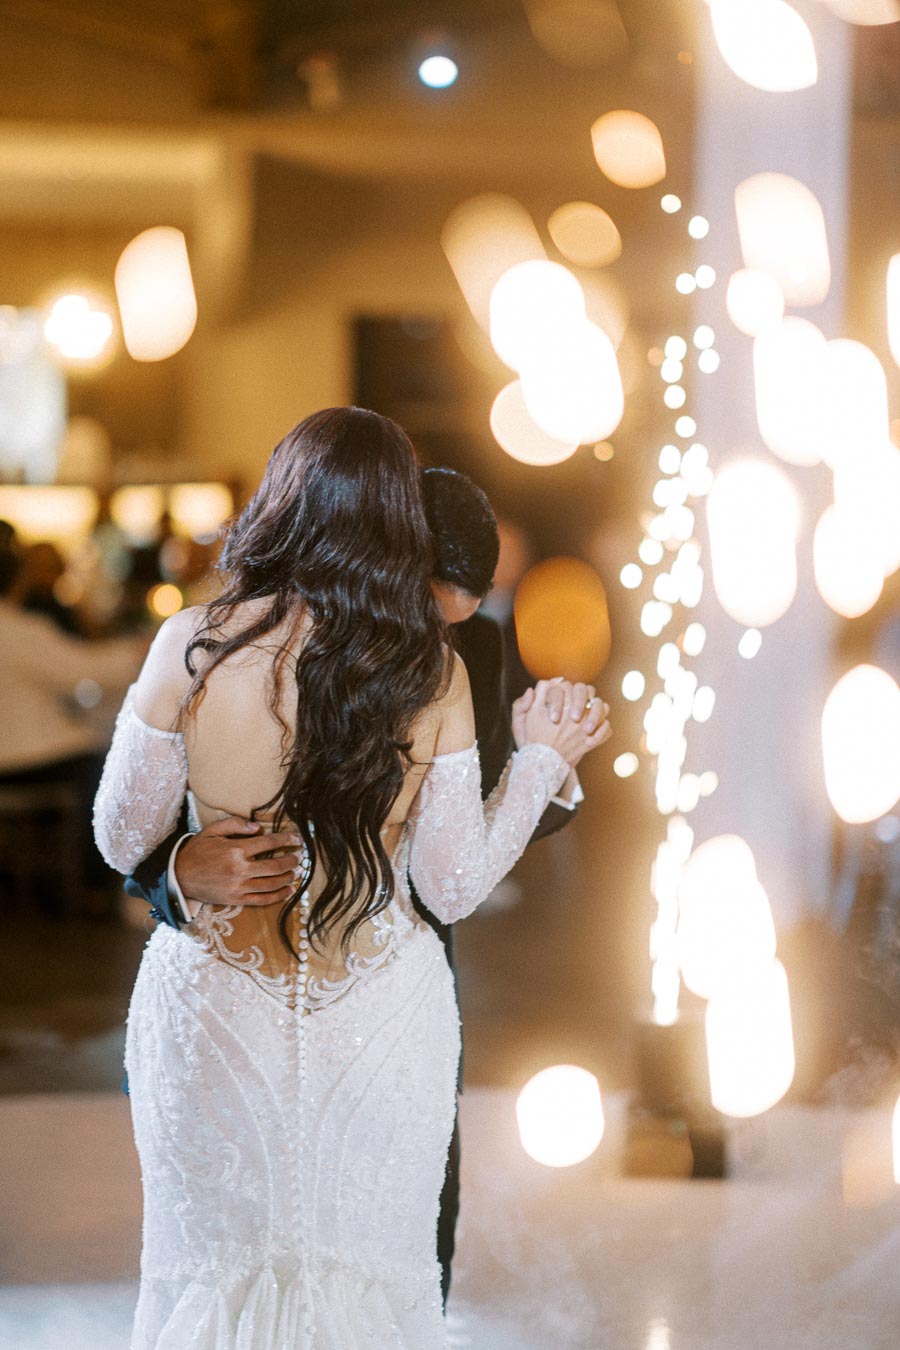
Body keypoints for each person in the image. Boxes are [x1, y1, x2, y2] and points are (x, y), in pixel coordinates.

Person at [94, 407, 611, 1347]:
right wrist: (540, 760)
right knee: (369, 1281)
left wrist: (183, 855)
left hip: (217, 997)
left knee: (214, 1271)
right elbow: (451, 887)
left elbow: (120, 831)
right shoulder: (434, 673)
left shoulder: (192, 645)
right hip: (379, 1006)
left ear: (279, 502)